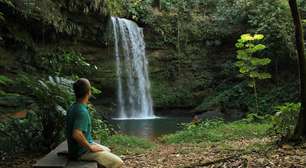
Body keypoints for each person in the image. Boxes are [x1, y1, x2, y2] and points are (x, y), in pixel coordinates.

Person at [66, 78, 123, 168]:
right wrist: (90, 147)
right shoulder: (81, 111)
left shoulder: (73, 107)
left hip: (76, 149)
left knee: (107, 150)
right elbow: (76, 134)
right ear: (88, 92)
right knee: (118, 162)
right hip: (81, 152)